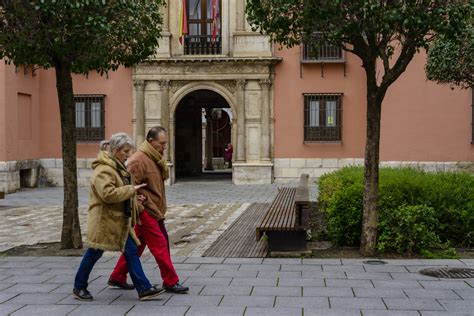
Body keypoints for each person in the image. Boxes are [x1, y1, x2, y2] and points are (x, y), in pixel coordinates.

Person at [73, 133, 164, 301]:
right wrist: (131, 190)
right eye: (125, 151)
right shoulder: (103, 170)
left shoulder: (117, 168)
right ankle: (79, 287)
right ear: (114, 150)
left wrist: (135, 198)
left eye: (130, 151)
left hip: (120, 221)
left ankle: (144, 288)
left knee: (131, 252)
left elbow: (122, 192)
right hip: (105, 222)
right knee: (94, 252)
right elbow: (107, 194)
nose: (128, 155)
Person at [108, 127, 188, 294]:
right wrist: (139, 201)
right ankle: (170, 281)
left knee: (136, 246)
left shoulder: (155, 157)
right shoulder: (138, 160)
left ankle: (117, 276)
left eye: (165, 143)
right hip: (146, 211)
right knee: (161, 246)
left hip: (154, 209)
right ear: (151, 141)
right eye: (162, 143)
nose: (164, 146)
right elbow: (127, 185)